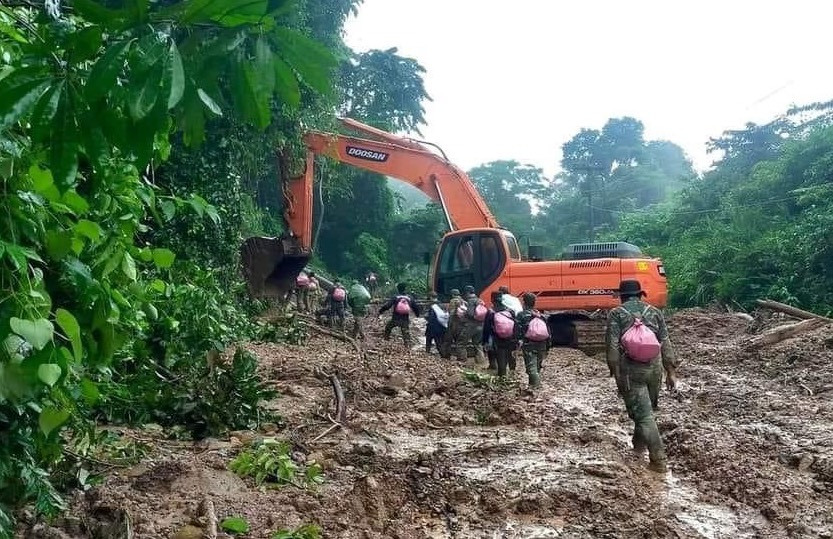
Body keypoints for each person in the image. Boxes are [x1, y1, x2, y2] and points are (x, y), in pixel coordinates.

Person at [606, 279, 679, 473]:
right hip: (655, 369)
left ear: (621, 296)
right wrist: (670, 372)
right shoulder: (655, 312)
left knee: (644, 416)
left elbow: (612, 348)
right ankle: (638, 447)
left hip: (631, 370)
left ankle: (658, 460)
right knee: (646, 411)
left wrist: (615, 372)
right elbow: (666, 343)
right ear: (640, 295)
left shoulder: (616, 314)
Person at [515, 292, 550, 389]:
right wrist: (548, 346)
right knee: (537, 366)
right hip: (542, 343)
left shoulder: (521, 315)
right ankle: (532, 385)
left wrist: (517, 341)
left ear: (524, 303)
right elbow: (548, 332)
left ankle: (536, 387)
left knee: (531, 367)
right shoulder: (541, 315)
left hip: (529, 344)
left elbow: (517, 330)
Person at [482, 291, 517, 376]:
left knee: (501, 358)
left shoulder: (491, 312)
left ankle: (502, 375)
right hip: (510, 338)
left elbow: (486, 328)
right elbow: (515, 325)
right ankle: (512, 373)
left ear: (492, 300)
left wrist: (484, 341)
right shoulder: (510, 311)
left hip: (497, 338)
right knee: (510, 355)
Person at [379, 283, 422, 348]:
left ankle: (386, 341)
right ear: (405, 289)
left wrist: (381, 311)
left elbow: (387, 306)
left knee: (388, 328)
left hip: (395, 318)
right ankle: (408, 347)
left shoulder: (395, 297)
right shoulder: (410, 298)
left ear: (398, 289)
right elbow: (415, 307)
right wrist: (417, 315)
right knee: (406, 334)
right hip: (405, 319)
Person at [456, 285, 487, 366]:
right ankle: (481, 362)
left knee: (461, 343)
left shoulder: (471, 301)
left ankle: (462, 362)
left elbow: (470, 313)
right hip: (481, 325)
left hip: (471, 325)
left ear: (467, 293)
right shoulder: (479, 300)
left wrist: (463, 312)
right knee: (478, 344)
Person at [441, 289, 464, 359]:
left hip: (453, 323)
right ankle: (461, 357)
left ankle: (446, 355)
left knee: (448, 340)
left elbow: (449, 311)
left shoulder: (452, 301)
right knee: (459, 341)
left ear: (452, 294)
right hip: (461, 324)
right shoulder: (464, 302)